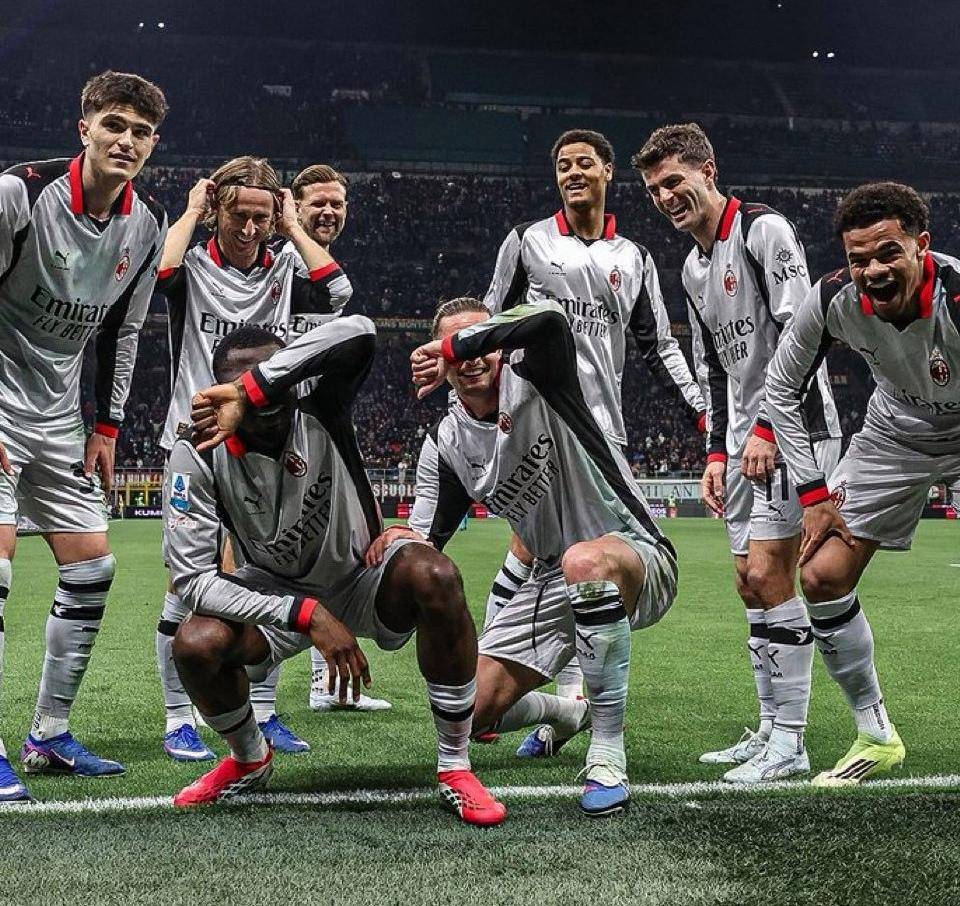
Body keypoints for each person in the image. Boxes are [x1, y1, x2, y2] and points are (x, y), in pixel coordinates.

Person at [163, 318, 505, 826]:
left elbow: (360, 331)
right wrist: (305, 613)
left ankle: (455, 766)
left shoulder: (322, 406)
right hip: (277, 594)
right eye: (245, 386)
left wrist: (257, 385)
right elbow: (192, 581)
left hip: (362, 576)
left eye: (273, 380)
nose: (265, 399)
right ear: (217, 391)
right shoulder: (196, 451)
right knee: (194, 642)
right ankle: (249, 758)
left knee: (434, 573)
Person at [445, 129, 704, 751]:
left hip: (600, 432)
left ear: (608, 171)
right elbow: (489, 322)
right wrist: (470, 398)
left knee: (582, 565)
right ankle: (557, 702)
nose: (573, 173)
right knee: (538, 553)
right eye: (563, 165)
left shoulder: (635, 258)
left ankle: (581, 714)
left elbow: (657, 345)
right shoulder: (528, 241)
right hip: (532, 422)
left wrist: (702, 411)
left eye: (585, 162)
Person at [401, 297, 678, 815]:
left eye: (476, 342)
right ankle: (569, 714)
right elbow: (423, 545)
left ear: (498, 346)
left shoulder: (539, 376)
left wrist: (451, 345)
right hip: (550, 577)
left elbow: (549, 316)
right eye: (452, 349)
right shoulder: (447, 444)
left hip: (633, 551)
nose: (469, 358)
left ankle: (607, 752)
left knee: (584, 563)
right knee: (469, 712)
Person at [634, 123, 841, 782]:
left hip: (791, 432)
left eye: (674, 181)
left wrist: (769, 430)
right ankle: (770, 728)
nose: (666, 197)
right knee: (748, 582)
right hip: (741, 442)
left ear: (708, 170)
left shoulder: (762, 231)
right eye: (655, 190)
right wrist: (715, 452)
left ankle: (793, 741)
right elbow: (715, 371)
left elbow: (804, 335)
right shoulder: (692, 268)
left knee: (773, 575)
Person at [0, 70, 168, 801]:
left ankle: (48, 734)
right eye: (114, 125)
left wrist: (106, 426)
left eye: (141, 132)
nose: (126, 140)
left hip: (61, 418)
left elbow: (123, 332)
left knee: (93, 568)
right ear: (85, 129)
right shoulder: (18, 194)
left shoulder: (146, 225)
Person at [153, 156, 351, 761]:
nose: (248, 228)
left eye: (261, 217)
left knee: (266, 575)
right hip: (195, 438)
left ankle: (264, 712)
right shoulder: (193, 262)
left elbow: (339, 294)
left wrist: (292, 227)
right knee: (185, 587)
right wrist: (191, 211)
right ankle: (177, 718)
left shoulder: (286, 264)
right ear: (217, 209)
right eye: (238, 214)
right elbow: (161, 272)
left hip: (266, 441)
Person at [766, 181, 960, 785]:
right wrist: (814, 495)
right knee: (822, 574)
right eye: (858, 258)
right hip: (894, 433)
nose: (873, 270)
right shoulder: (832, 300)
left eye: (888, 253)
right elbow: (780, 388)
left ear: (921, 245)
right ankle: (876, 734)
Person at [290, 164, 391, 714]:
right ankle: (251, 700)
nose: (329, 212)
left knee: (330, 556)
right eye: (318, 203)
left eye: (338, 204)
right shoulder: (277, 267)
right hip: (272, 433)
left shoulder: (322, 271)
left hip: (318, 432)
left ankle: (325, 688)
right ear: (295, 207)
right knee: (254, 564)